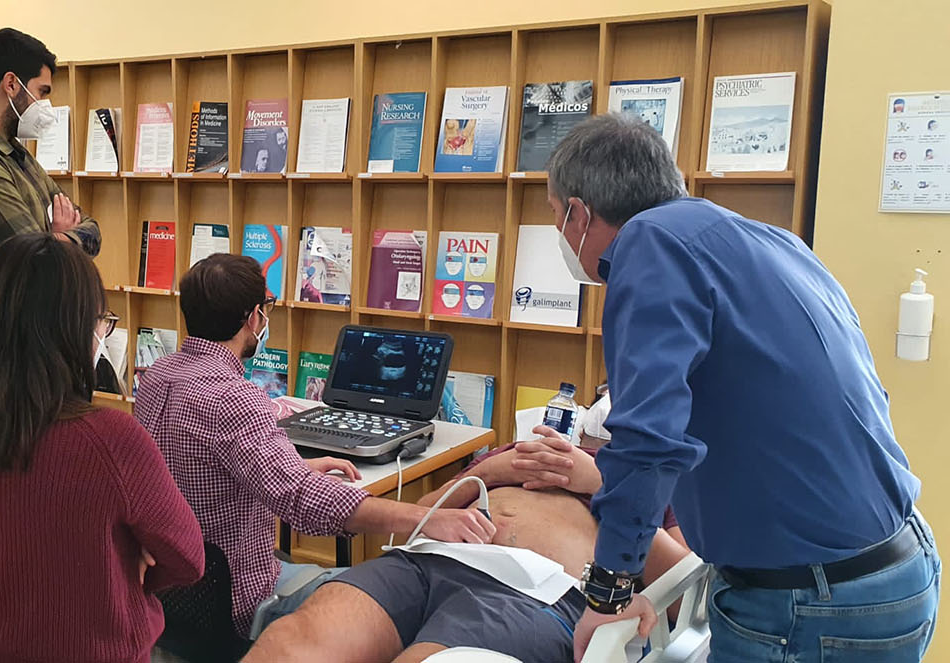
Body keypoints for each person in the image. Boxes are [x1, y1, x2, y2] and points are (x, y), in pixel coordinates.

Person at [545, 114, 938, 662]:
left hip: (814, 601)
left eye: (554, 217)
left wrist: (609, 590)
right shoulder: (769, 241)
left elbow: (648, 440)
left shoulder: (649, 242)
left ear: (578, 213)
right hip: (897, 566)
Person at [134, 253, 495, 638]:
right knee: (400, 592)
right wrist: (428, 520)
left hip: (170, 594)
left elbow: (197, 467)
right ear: (253, 317)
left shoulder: (158, 376)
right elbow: (305, 503)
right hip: (243, 601)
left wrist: (297, 467)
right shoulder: (235, 398)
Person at [0, 233, 203, 663]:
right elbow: (187, 557)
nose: (101, 333)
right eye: (100, 321)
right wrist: (123, 571)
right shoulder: (111, 438)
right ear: (72, 329)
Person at [243, 404, 690, 663]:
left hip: (538, 594)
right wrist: (495, 467)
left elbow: (681, 586)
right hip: (422, 564)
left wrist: (601, 486)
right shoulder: (513, 453)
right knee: (289, 644)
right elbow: (416, 516)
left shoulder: (644, 485)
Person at [0, 28, 101, 285]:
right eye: (42, 91)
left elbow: (92, 230)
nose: (45, 104)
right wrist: (60, 241)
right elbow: (33, 261)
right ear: (12, 84)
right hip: (4, 322)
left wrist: (56, 241)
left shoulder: (16, 153)